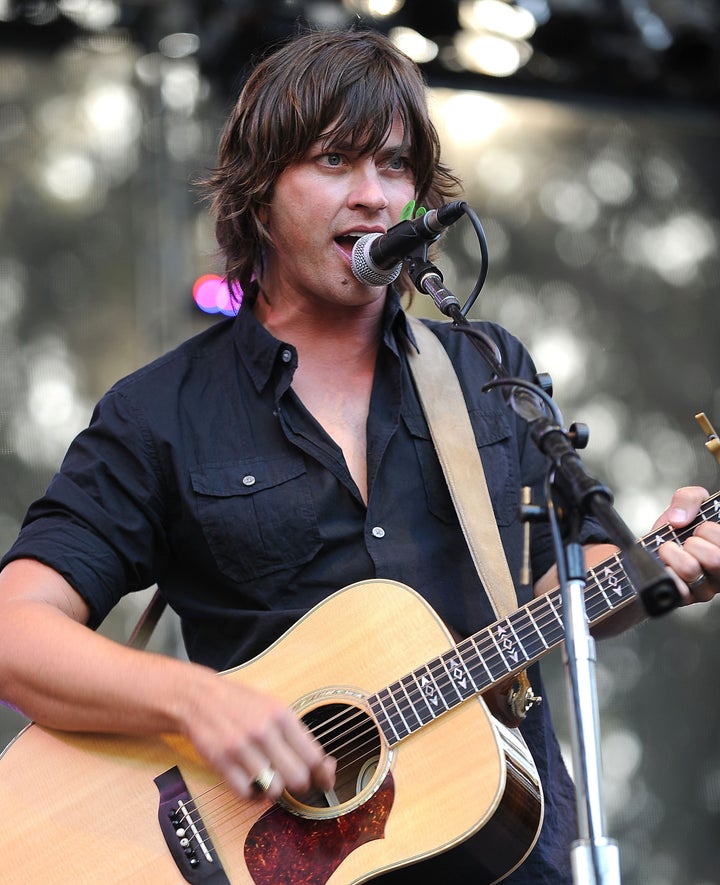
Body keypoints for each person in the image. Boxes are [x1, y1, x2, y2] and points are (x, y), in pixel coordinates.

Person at [0, 26, 718, 884]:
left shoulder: (488, 372)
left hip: (504, 847)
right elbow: (16, 630)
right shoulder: (160, 413)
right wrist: (198, 702)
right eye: (335, 162)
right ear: (259, 194)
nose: (374, 195)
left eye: (393, 166)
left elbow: (548, 592)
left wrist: (651, 565)